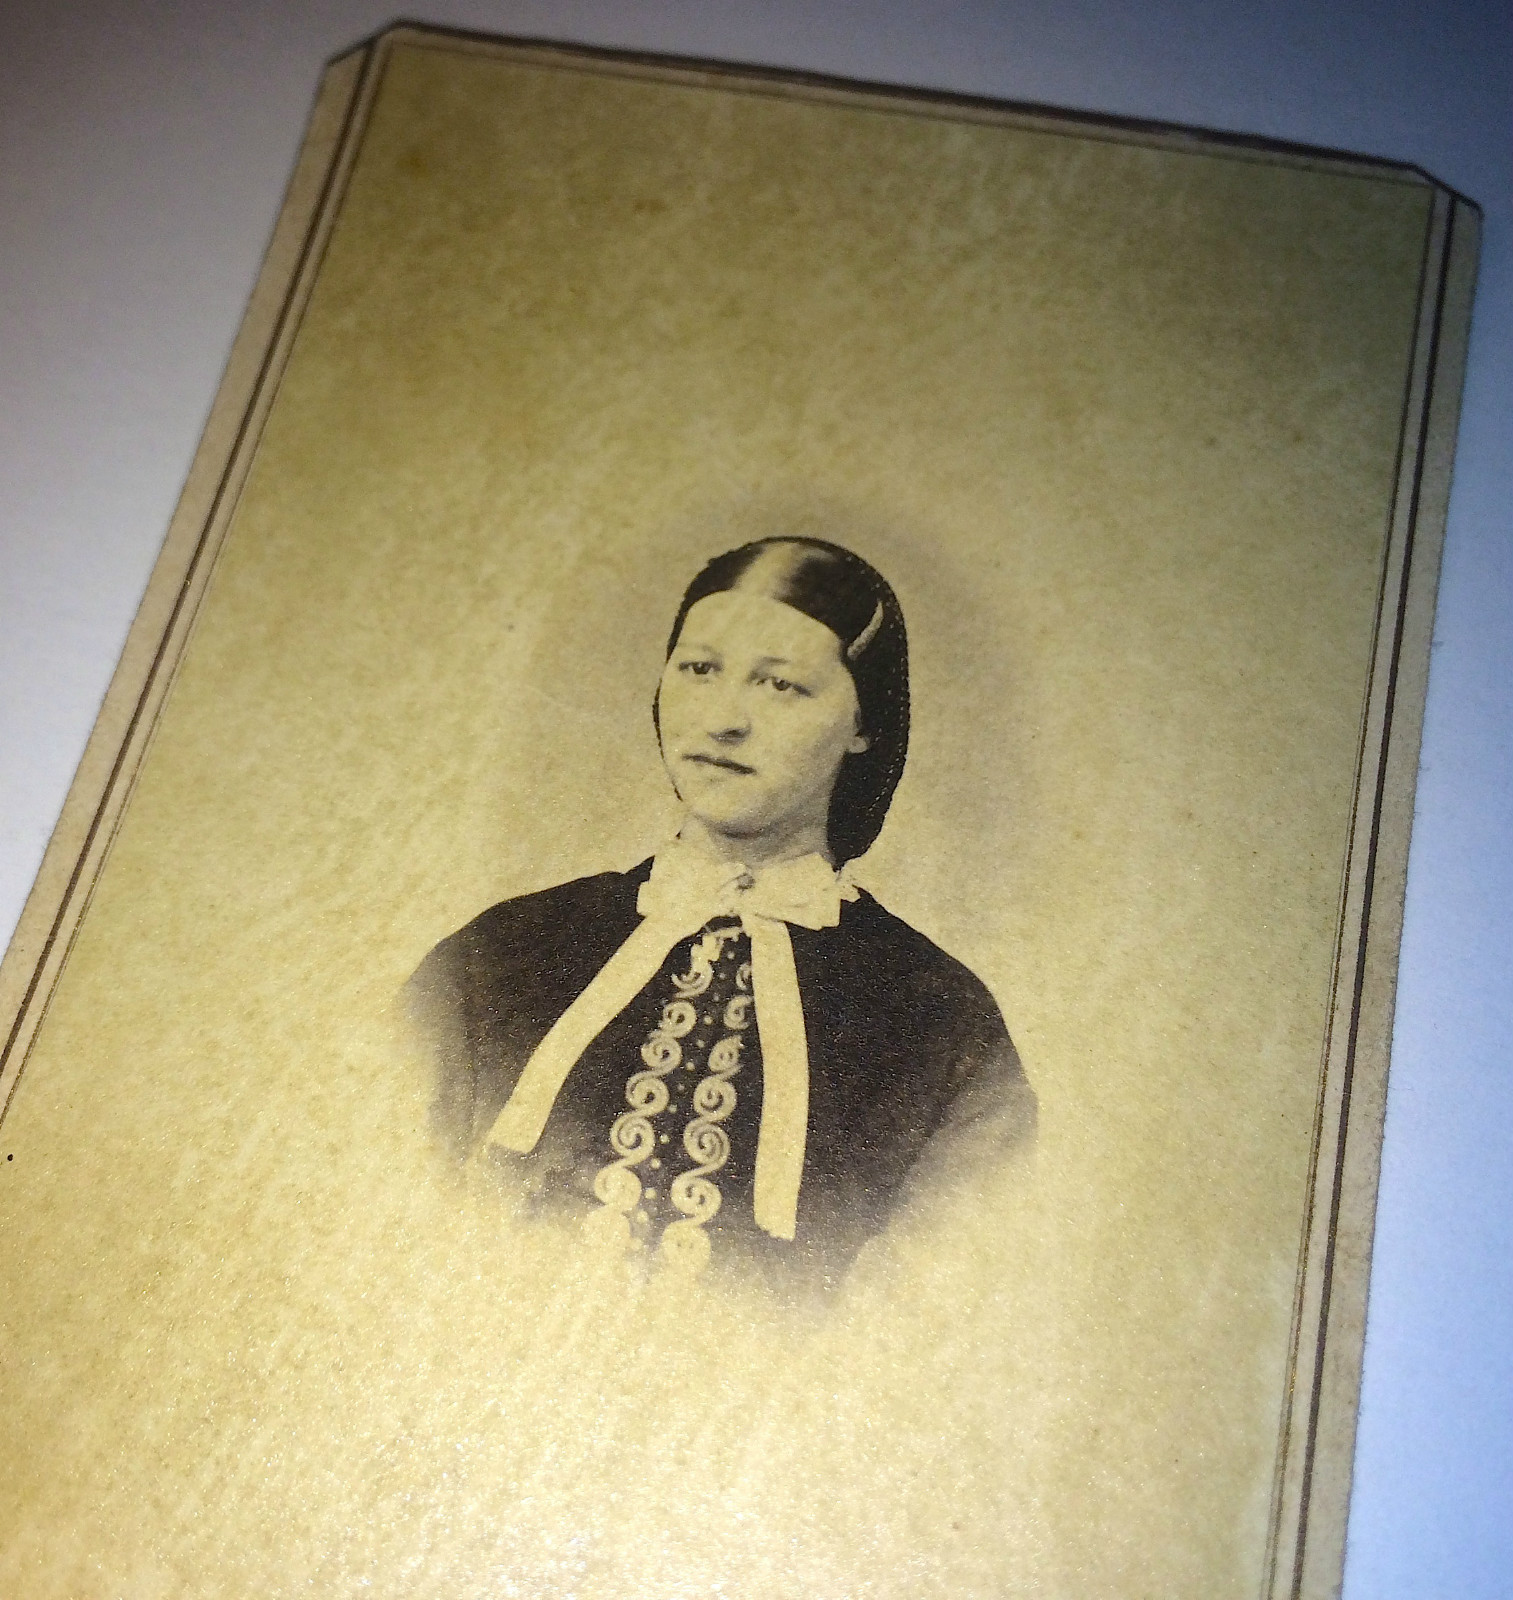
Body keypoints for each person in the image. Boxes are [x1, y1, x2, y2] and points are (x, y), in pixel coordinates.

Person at [407, 537, 1033, 1286]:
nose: (724, 720)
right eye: (700, 670)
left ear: (864, 723)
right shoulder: (498, 954)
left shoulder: (945, 1025)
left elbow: (932, 1305)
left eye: (781, 685)